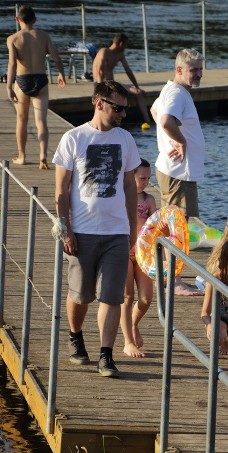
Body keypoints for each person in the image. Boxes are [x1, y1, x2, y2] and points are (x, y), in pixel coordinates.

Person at [53, 80, 141, 378]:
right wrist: (66, 230)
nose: (122, 115)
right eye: (118, 108)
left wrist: (133, 228)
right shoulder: (74, 138)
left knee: (112, 296)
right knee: (81, 295)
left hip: (116, 232)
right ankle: (75, 336)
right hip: (82, 230)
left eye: (125, 109)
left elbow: (130, 185)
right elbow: (61, 192)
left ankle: (106, 354)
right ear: (99, 103)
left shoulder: (126, 139)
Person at [150, 48, 205, 296]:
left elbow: (154, 111)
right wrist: (179, 141)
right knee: (178, 227)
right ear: (179, 70)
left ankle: (167, 276)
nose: (198, 74)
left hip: (176, 172)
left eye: (200, 69)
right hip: (178, 174)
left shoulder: (171, 90)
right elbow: (164, 120)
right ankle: (174, 281)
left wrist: (168, 139)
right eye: (193, 70)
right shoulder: (177, 94)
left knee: (175, 225)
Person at [6, 5, 66, 169]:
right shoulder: (44, 36)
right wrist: (61, 74)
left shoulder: (13, 39)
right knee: (41, 121)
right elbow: (56, 57)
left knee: (22, 120)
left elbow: (12, 64)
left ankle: (22, 156)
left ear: (17, 19)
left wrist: (9, 87)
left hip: (22, 80)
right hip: (41, 79)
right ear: (34, 19)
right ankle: (43, 156)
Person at [120, 159, 156, 358]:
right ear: (130, 176)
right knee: (127, 297)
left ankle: (133, 324)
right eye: (142, 178)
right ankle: (128, 342)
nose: (145, 182)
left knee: (145, 298)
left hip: (143, 253)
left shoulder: (148, 200)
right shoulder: (121, 197)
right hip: (124, 250)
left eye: (148, 178)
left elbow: (156, 225)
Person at [92, 32, 152, 124]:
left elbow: (128, 71)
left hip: (112, 84)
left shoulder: (119, 54)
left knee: (138, 92)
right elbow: (99, 71)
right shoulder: (104, 52)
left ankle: (147, 121)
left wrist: (137, 86)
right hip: (101, 84)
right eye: (125, 44)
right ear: (120, 43)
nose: (125, 47)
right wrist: (101, 89)